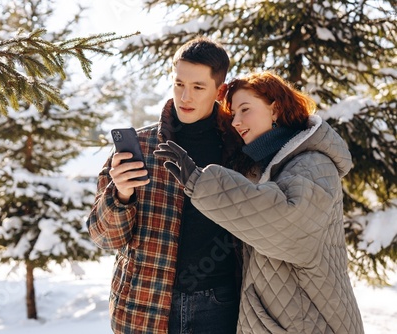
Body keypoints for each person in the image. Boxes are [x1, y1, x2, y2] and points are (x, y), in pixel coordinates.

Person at [154, 71, 365, 333]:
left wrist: (203, 183)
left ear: (275, 110)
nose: (237, 122)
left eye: (245, 110)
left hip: (310, 322)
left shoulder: (312, 162)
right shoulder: (263, 168)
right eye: (233, 116)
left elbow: (289, 227)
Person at [86, 37, 244, 333]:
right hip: (144, 304)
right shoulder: (141, 147)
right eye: (179, 84)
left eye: (198, 88)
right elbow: (104, 238)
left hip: (219, 305)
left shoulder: (236, 149)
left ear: (219, 91)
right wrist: (120, 195)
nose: (186, 96)